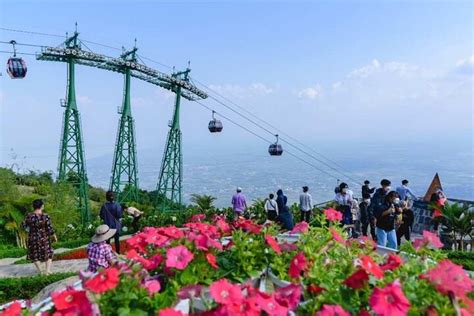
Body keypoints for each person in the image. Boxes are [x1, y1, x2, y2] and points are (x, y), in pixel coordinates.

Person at [22, 199, 57, 275]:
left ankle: (40, 271)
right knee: (49, 253)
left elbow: (24, 225)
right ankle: (47, 271)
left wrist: (30, 231)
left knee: (35, 255)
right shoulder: (45, 216)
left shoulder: (29, 216)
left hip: (33, 238)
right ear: (41, 206)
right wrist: (54, 236)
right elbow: (49, 227)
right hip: (44, 238)